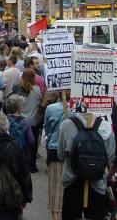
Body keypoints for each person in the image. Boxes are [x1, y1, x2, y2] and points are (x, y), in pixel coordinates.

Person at [57, 111, 116, 220]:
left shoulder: (66, 125)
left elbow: (60, 155)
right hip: (97, 182)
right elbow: (110, 156)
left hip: (72, 180)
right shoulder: (106, 126)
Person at [43, 92, 70, 220]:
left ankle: (55, 216)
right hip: (72, 150)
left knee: (55, 185)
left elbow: (47, 128)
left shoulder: (51, 109)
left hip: (54, 148)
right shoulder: (77, 109)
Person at [14, 68, 44, 172]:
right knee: (33, 144)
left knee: (22, 143)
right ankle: (32, 165)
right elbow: (39, 101)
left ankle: (21, 164)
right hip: (34, 120)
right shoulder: (36, 89)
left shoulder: (19, 89)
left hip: (21, 120)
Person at [4, 94, 35, 166]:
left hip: (7, 152)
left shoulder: (4, 119)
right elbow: (31, 140)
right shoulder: (24, 121)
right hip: (21, 152)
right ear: (18, 108)